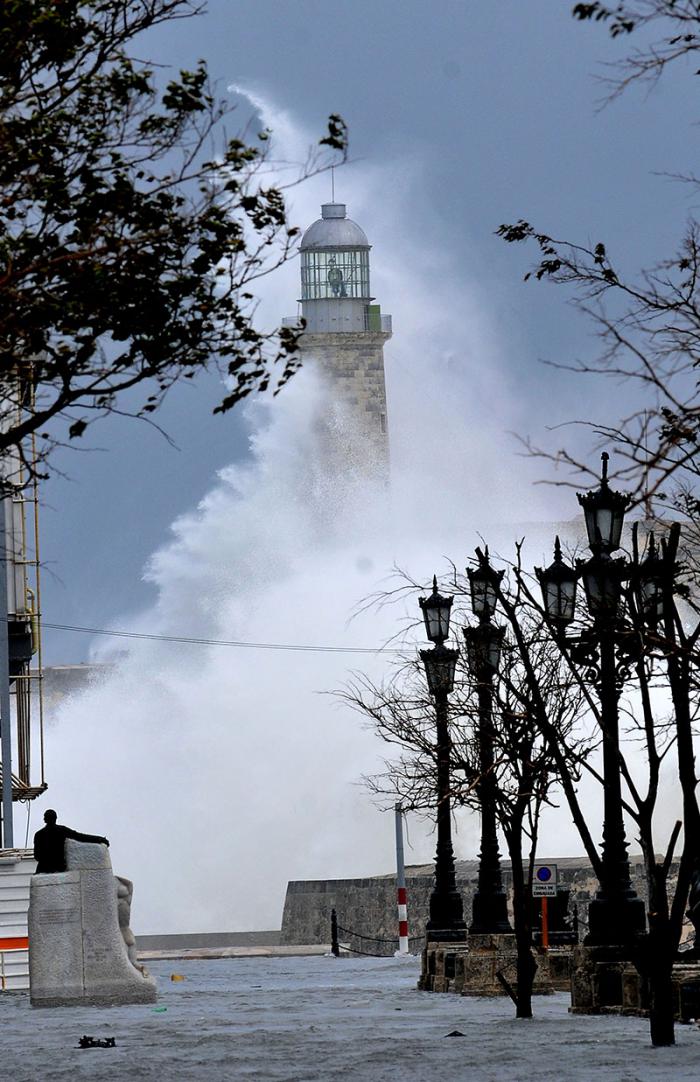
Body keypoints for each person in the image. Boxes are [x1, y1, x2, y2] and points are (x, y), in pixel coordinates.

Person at [33, 809, 109, 874]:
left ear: (44, 819)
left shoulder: (38, 834)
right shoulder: (62, 830)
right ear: (56, 818)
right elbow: (80, 837)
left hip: (43, 869)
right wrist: (99, 839)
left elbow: (37, 856)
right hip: (58, 868)